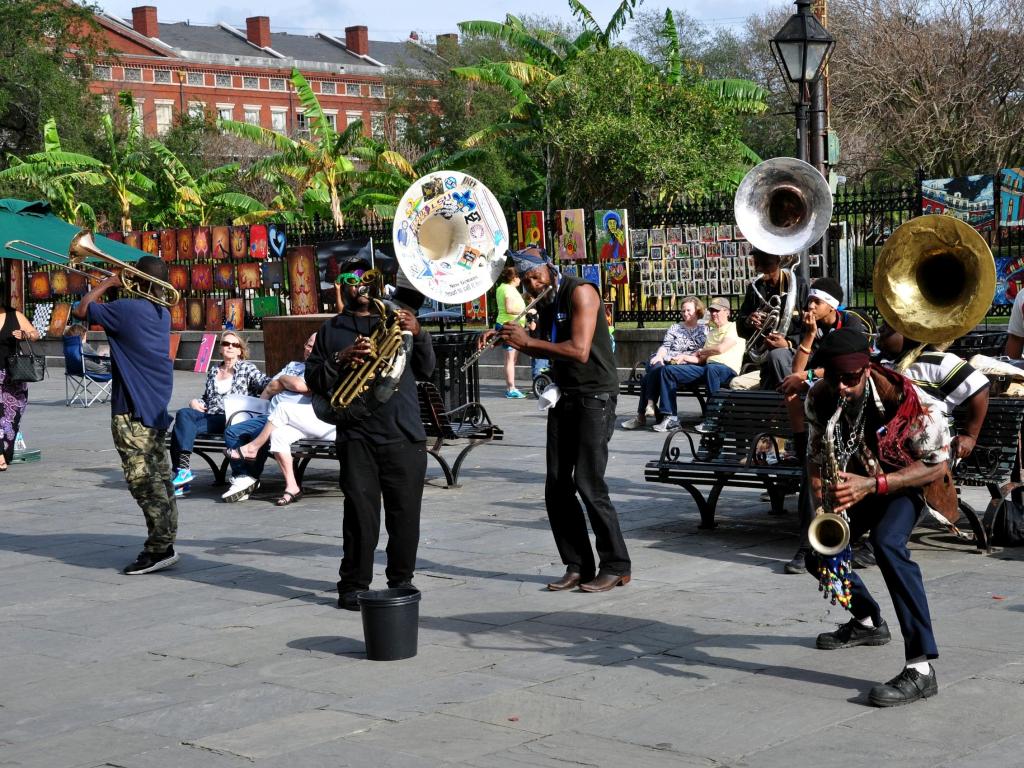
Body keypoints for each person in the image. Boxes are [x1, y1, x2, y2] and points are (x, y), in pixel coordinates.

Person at [803, 328, 952, 707]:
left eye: (851, 379)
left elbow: (936, 465)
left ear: (867, 369)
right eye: (834, 378)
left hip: (909, 483)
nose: (842, 387)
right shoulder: (821, 398)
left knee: (887, 545)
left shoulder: (908, 399)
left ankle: (921, 669)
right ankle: (868, 621)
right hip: (862, 482)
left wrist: (875, 485)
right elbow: (816, 457)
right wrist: (822, 506)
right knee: (819, 552)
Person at [494, 246, 631, 593]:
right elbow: (545, 339)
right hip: (565, 395)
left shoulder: (581, 291)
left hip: (594, 397)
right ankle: (578, 565)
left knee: (589, 483)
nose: (532, 285)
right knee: (556, 486)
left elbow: (578, 350)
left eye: (536, 276)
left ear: (550, 269)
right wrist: (504, 336)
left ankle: (616, 564)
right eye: (526, 281)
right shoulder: (547, 299)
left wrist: (527, 345)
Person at [304, 256, 435, 611]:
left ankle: (401, 581)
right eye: (350, 278)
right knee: (360, 514)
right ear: (341, 285)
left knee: (405, 515)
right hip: (356, 433)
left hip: (403, 432)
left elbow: (427, 369)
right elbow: (313, 379)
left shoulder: (398, 318)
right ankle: (352, 584)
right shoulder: (331, 329)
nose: (359, 284)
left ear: (378, 281)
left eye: (367, 277)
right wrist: (341, 358)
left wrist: (419, 333)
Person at [71, 259, 179, 575]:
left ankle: (160, 548)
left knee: (143, 480)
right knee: (160, 476)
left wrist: (107, 283)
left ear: (138, 280)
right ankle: (165, 541)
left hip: (132, 410)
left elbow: (82, 310)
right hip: (153, 406)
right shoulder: (162, 312)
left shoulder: (129, 311)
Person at [778, 277, 870, 574]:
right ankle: (808, 545)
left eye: (815, 301)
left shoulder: (854, 324)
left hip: (856, 403)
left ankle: (864, 538)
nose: (810, 306)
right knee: (812, 474)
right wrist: (807, 336)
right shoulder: (812, 326)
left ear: (830, 304)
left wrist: (806, 377)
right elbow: (796, 372)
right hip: (826, 402)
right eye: (809, 301)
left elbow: (850, 364)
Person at [234, 333, 337, 506]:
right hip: (303, 421)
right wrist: (282, 380)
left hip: (327, 423)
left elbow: (300, 386)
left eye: (316, 347)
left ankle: (252, 448)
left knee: (283, 408)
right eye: (309, 345)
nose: (310, 350)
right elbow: (272, 386)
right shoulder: (294, 365)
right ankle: (292, 487)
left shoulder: (325, 368)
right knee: (278, 435)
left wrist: (283, 381)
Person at [169, 331, 269, 497]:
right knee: (184, 415)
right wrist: (195, 402)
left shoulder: (246, 368)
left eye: (234, 345)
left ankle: (180, 476)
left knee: (180, 431)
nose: (230, 347)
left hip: (233, 418)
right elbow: (207, 399)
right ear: (220, 349)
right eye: (225, 344)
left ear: (240, 350)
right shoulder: (214, 370)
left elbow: (265, 382)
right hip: (213, 416)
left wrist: (282, 381)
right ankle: (183, 471)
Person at [876, 321, 990, 460]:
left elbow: (980, 388)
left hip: (934, 451)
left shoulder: (939, 362)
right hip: (891, 446)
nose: (880, 329)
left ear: (910, 334)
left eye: (889, 326)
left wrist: (970, 436)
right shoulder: (879, 363)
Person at [651, 297, 745, 433]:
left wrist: (701, 351)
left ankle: (713, 419)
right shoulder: (711, 332)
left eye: (718, 311)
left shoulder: (734, 327)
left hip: (727, 370)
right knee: (668, 370)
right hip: (708, 369)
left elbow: (721, 349)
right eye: (712, 311)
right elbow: (701, 359)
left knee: (711, 369)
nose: (714, 314)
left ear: (727, 312)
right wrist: (684, 357)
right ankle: (671, 417)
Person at [621, 296, 707, 430]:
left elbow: (703, 352)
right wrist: (660, 355)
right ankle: (648, 408)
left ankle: (644, 413)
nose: (685, 314)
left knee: (648, 378)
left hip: (686, 365)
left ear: (697, 311)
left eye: (689, 310)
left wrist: (685, 357)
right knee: (655, 361)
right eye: (683, 311)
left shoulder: (704, 330)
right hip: (668, 361)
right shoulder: (675, 327)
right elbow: (665, 346)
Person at [735, 249, 809, 391]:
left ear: (777, 261)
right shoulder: (755, 287)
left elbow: (809, 329)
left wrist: (788, 343)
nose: (760, 269)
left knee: (778, 358)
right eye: (756, 264)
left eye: (765, 264)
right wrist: (748, 321)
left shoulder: (797, 285)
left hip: (792, 358)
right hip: (763, 362)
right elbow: (740, 327)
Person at [0, 305, 40, 471]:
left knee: (11, 419)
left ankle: (4, 453)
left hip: (13, 377)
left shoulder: (14, 315)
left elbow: (35, 334)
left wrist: (25, 334)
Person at [495, 266, 528, 398]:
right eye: (519, 277)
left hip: (512, 326)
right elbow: (509, 308)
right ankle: (511, 389)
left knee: (511, 359)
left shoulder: (504, 288)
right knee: (510, 359)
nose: (521, 279)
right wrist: (525, 311)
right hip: (508, 327)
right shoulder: (507, 289)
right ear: (514, 278)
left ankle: (511, 386)